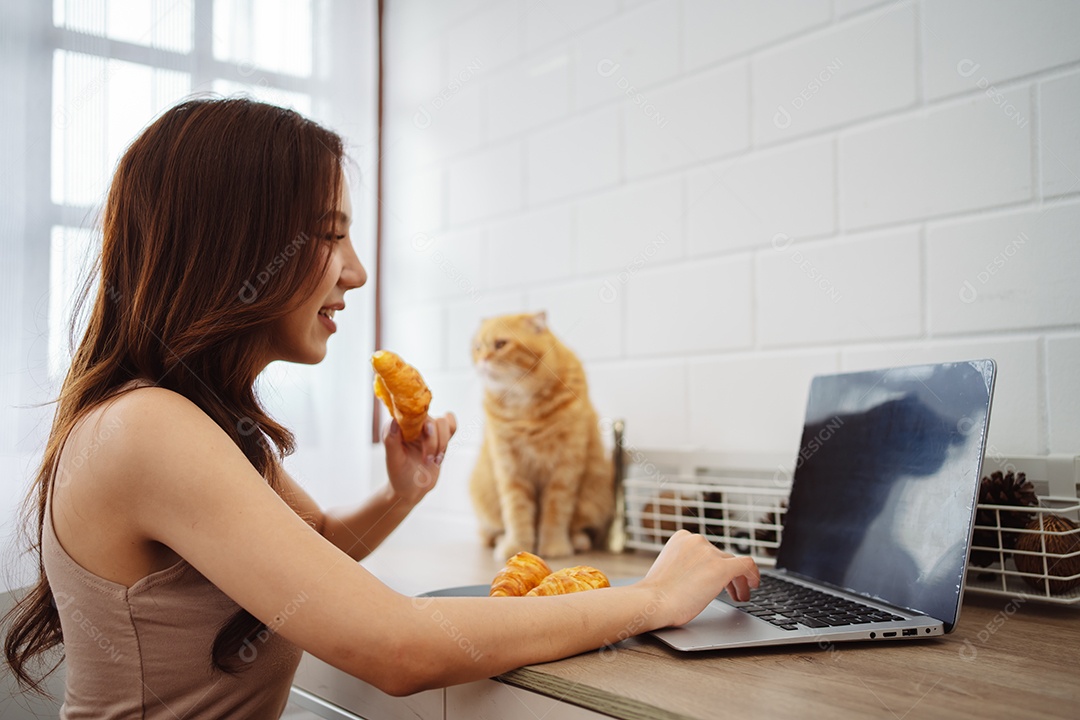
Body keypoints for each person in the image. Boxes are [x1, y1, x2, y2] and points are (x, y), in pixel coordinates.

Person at [2, 97, 759, 718]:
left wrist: (402, 493)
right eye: (330, 237)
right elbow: (399, 649)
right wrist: (653, 597)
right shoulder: (146, 428)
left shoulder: (188, 419)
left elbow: (314, 554)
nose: (357, 272)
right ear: (235, 246)